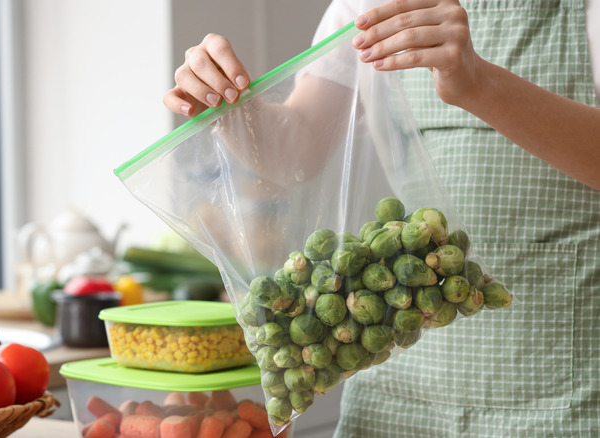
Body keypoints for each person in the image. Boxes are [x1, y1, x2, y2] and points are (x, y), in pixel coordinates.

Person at [163, 0, 600, 436]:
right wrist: (230, 108)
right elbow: (296, 147)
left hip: (566, 389)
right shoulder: (369, 4)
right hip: (399, 390)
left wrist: (479, 84)